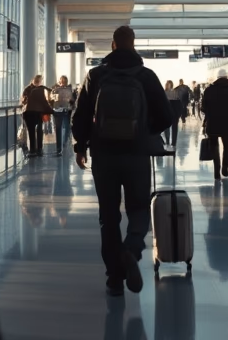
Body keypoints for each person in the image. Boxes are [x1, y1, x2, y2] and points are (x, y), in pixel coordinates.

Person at [72, 26, 174, 297]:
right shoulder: (146, 76)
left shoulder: (96, 75)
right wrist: (143, 130)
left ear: (113, 45)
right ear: (134, 44)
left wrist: (80, 146)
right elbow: (165, 117)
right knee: (139, 209)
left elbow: (80, 114)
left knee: (108, 216)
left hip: (104, 156)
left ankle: (114, 279)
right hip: (136, 154)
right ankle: (130, 250)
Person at [200, 71, 228, 178]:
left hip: (212, 123)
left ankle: (216, 171)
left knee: (214, 146)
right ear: (226, 78)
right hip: (227, 124)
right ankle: (225, 168)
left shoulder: (209, 90)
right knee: (227, 146)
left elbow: (203, 108)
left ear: (217, 78)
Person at [20, 74, 52, 157]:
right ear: (40, 81)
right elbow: (44, 101)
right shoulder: (40, 89)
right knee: (39, 130)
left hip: (28, 112)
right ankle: (39, 149)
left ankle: (33, 150)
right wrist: (51, 110)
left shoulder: (27, 89)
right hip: (38, 112)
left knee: (31, 131)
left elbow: (23, 101)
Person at [51, 75, 76, 157]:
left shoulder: (56, 89)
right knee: (67, 127)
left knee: (59, 128)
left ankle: (59, 148)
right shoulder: (70, 90)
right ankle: (64, 143)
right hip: (67, 110)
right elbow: (73, 100)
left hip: (58, 110)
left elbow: (51, 100)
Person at [164, 80, 182, 146]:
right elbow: (179, 104)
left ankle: (168, 141)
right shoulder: (175, 92)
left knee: (167, 127)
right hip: (174, 112)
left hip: (168, 112)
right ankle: (173, 142)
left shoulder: (164, 92)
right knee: (174, 128)